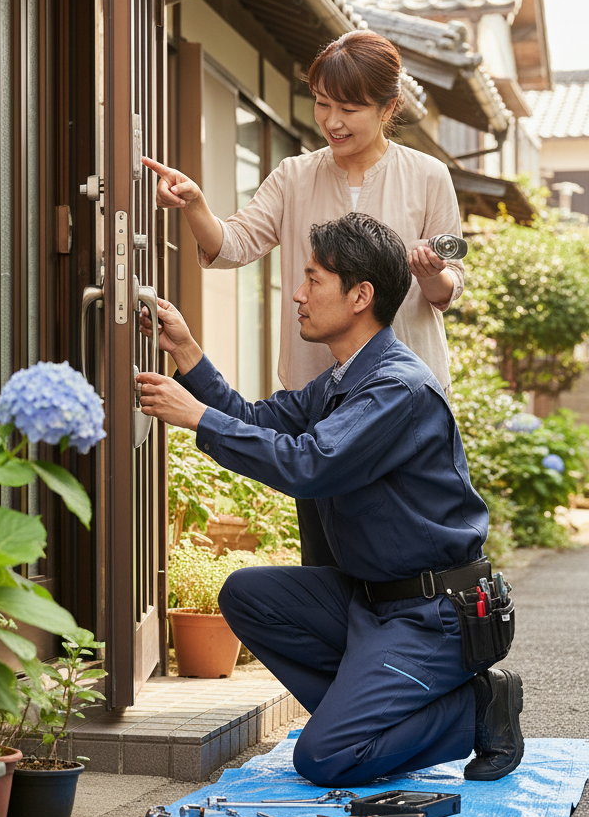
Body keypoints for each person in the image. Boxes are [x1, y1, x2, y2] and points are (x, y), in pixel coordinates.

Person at [135, 213, 523, 787]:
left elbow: (309, 464)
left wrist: (197, 417)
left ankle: (475, 708)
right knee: (248, 595)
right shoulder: (345, 378)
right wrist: (187, 352)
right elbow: (257, 420)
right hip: (371, 601)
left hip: (430, 614)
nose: (298, 294)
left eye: (313, 279)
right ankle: (362, 715)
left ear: (360, 296)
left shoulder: (396, 387)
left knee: (324, 759)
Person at [141, 30, 464, 568]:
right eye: (321, 103)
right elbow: (233, 243)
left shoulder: (428, 176)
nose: (332, 121)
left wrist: (431, 275)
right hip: (320, 391)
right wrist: (195, 204)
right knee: (327, 547)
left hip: (400, 396)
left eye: (349, 108)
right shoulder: (294, 175)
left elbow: (449, 288)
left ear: (389, 107)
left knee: (406, 549)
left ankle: (412, 620)